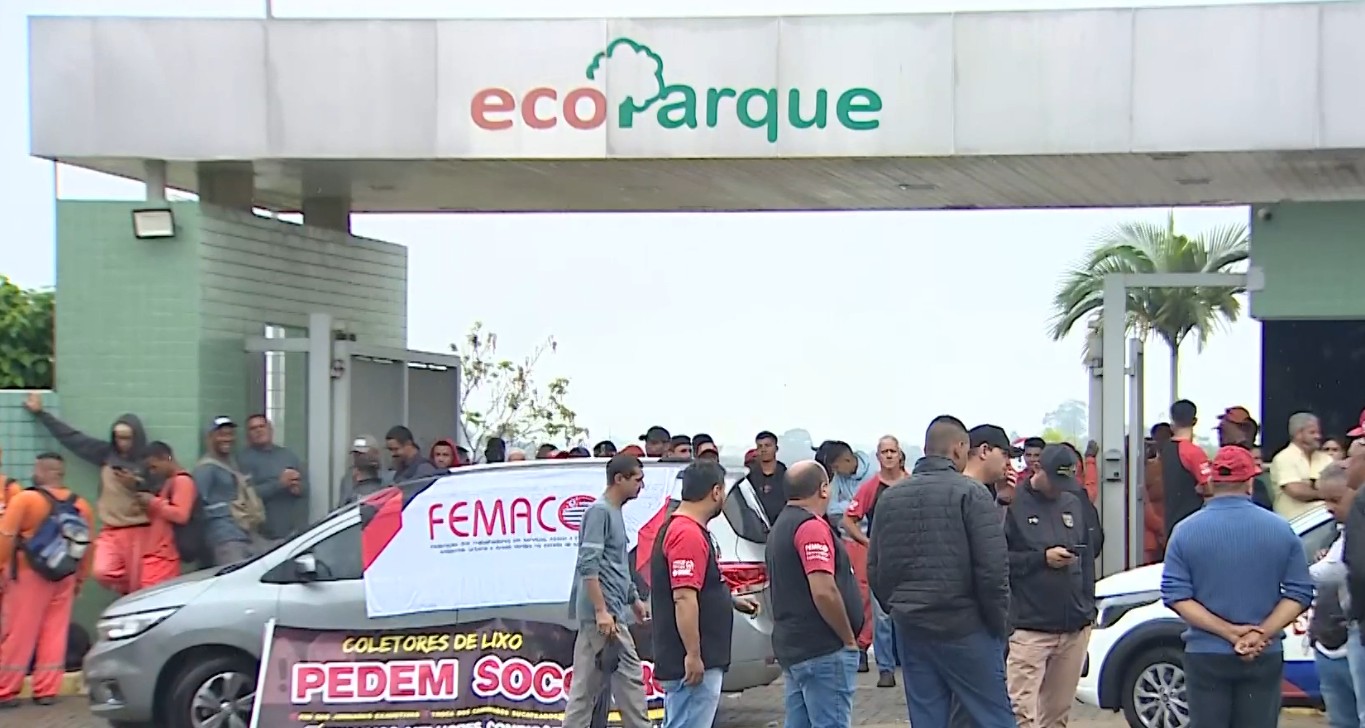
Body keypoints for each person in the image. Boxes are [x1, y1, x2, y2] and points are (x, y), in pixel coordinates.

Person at [868, 415, 1014, 728]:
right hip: (967, 627)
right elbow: (992, 572)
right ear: (960, 448)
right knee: (994, 718)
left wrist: (898, 609)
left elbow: (876, 569)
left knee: (928, 719)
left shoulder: (890, 498)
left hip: (912, 629)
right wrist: (997, 625)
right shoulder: (971, 495)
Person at [1160, 445, 1313, 728]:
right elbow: (1299, 592)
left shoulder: (1185, 531)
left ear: (1211, 483)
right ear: (1250, 482)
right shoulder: (1280, 529)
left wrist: (1228, 633)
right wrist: (1261, 633)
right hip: (1263, 653)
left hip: (1206, 652)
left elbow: (1175, 594)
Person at [652, 460, 759, 728]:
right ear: (715, 492)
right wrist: (693, 654)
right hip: (690, 660)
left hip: (696, 656)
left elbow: (695, 589)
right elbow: (684, 597)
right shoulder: (686, 533)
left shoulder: (686, 529)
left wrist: (730, 600)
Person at [1003, 444, 1097, 728]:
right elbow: (998, 560)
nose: (1059, 489)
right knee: (1020, 713)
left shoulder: (1073, 501)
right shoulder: (1013, 504)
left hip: (1072, 625)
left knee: (1057, 715)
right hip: (1030, 626)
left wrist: (1087, 606)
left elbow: (1089, 553)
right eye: (1055, 481)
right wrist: (1041, 559)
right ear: (1037, 469)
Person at [22, 393, 149, 598]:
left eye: (127, 438)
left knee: (139, 586)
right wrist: (41, 414)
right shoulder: (107, 453)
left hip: (141, 528)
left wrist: (134, 484)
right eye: (118, 437)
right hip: (112, 528)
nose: (122, 443)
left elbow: (160, 487)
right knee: (102, 571)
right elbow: (73, 438)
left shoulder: (148, 460)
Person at [767, 460, 864, 728]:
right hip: (823, 649)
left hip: (796, 647)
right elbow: (823, 589)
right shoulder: (811, 527)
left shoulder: (780, 527)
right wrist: (847, 638)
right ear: (823, 489)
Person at [562, 455, 651, 728]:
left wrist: (633, 598)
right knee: (630, 680)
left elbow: (617, 564)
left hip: (609, 612)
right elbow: (588, 565)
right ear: (619, 479)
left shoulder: (613, 512)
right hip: (604, 617)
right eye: (637, 479)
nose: (641, 486)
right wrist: (602, 611)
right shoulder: (600, 512)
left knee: (585, 690)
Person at [0, 452, 94, 708]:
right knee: (54, 632)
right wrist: (80, 579)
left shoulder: (25, 500)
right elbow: (87, 546)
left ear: (41, 471)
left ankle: (5, 690)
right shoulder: (81, 505)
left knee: (19, 632)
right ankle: (46, 690)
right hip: (64, 576)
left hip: (27, 575)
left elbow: (6, 537)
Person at [842, 435, 907, 686]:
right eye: (884, 452)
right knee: (881, 616)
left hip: (909, 559)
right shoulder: (871, 487)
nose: (889, 455)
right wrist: (866, 542)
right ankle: (885, 669)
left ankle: (908, 662)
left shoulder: (911, 483)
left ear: (900, 454)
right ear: (878, 457)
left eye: (893, 451)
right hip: (881, 560)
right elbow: (848, 520)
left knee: (907, 615)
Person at [1304, 463, 1358, 728]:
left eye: (1335, 499)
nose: (1328, 507)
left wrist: (1291, 570)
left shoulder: (1356, 533)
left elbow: (1332, 571)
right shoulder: (1337, 532)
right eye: (1324, 499)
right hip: (1328, 642)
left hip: (1353, 642)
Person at [194, 416, 269, 565]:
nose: (227, 439)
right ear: (210, 437)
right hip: (224, 537)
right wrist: (228, 510)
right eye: (221, 435)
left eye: (230, 434)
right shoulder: (206, 468)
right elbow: (197, 506)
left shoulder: (233, 463)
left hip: (245, 533)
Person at [238, 414, 308, 541]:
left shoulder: (287, 455)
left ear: (270, 429)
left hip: (293, 531)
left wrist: (297, 488)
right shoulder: (243, 460)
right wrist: (280, 484)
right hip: (261, 534)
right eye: (253, 428)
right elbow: (246, 496)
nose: (258, 431)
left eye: (262, 426)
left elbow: (305, 487)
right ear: (248, 434)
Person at [1161, 400, 1211, 538]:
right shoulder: (1193, 452)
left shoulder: (1164, 449)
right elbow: (1210, 488)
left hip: (1167, 521)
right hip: (1190, 522)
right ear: (1194, 421)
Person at [1270, 412, 1331, 520]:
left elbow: (1340, 486)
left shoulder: (1326, 458)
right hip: (1295, 524)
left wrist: (1312, 488)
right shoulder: (1284, 457)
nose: (1318, 436)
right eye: (1312, 432)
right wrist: (1327, 492)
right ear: (1298, 434)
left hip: (1327, 522)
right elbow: (1296, 491)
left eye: (1318, 432)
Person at [742, 431, 789, 524]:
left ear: (776, 448)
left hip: (783, 527)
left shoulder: (788, 477)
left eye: (767, 445)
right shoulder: (749, 479)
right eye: (760, 446)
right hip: (755, 531)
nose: (763, 449)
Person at [340, 435, 391, 505]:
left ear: (375, 453)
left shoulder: (387, 477)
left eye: (362, 453)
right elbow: (343, 506)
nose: (358, 457)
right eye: (355, 453)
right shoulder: (348, 479)